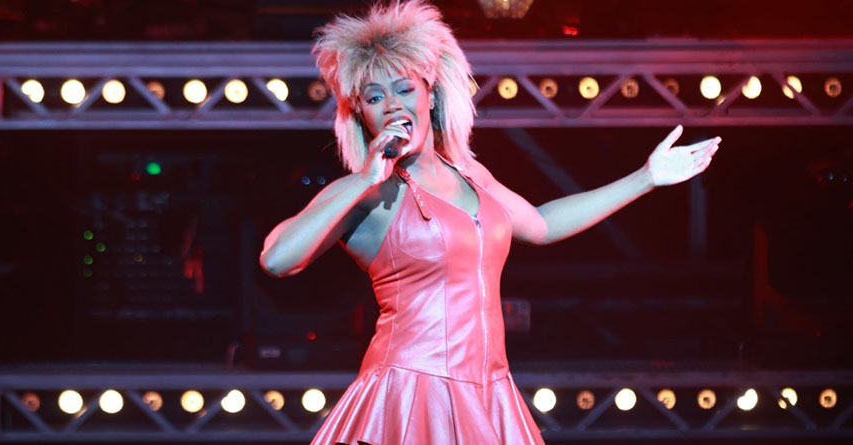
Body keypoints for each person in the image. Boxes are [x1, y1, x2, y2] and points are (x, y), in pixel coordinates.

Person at [260, 1, 721, 444]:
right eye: (375, 97)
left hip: (488, 389)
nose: (393, 105)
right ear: (361, 114)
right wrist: (365, 177)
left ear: (430, 94)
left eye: (404, 89)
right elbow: (278, 259)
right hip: (413, 391)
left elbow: (541, 224)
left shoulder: (469, 174)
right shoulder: (368, 191)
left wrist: (645, 178)